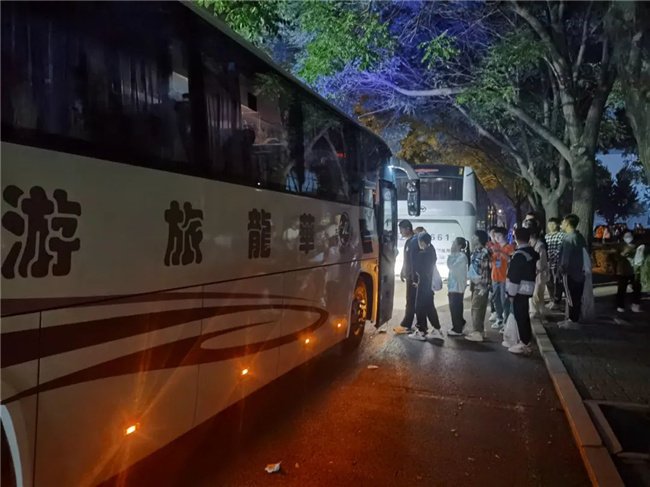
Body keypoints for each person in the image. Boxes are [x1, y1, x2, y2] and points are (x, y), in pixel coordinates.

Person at [506, 227, 539, 355]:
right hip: (528, 287)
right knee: (523, 314)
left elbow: (514, 276)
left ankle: (524, 343)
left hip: (519, 289)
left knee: (520, 316)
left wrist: (511, 293)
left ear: (516, 238)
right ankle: (525, 340)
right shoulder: (530, 252)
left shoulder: (519, 255)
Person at [409, 232, 443, 341]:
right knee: (429, 307)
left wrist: (415, 279)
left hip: (424, 283)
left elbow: (417, 267)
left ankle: (421, 331)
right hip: (428, 284)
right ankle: (436, 329)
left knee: (419, 307)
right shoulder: (431, 250)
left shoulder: (423, 254)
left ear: (421, 242)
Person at [559, 214, 588, 327]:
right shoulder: (578, 237)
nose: (561, 224)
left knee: (571, 297)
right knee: (576, 297)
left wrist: (562, 269)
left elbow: (565, 258)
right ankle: (573, 319)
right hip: (579, 272)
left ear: (567, 223)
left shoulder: (569, 239)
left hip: (570, 273)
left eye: (563, 222)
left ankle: (572, 320)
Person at [466, 230, 492, 342]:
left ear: (478, 238)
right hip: (475, 283)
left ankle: (477, 332)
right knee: (477, 307)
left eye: (474, 236)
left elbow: (486, 270)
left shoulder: (484, 252)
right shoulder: (476, 251)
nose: (472, 238)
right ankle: (479, 330)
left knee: (477, 308)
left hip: (481, 285)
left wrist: (484, 286)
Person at [397, 220, 420, 332]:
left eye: (401, 230)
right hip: (409, 275)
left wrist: (415, 276)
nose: (400, 232)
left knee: (412, 300)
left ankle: (409, 324)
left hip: (413, 277)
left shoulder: (415, 242)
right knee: (410, 299)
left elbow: (414, 261)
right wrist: (403, 270)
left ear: (407, 229)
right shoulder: (408, 242)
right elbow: (406, 259)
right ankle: (409, 323)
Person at [490, 227, 514, 329]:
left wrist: (500, 252)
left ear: (505, 236)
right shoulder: (495, 247)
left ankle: (506, 321)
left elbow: (510, 259)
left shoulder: (509, 247)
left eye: (499, 236)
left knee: (504, 300)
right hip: (495, 277)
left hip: (504, 278)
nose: (497, 238)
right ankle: (499, 318)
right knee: (496, 299)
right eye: (495, 236)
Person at [447, 237, 470, 336]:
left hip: (457, 286)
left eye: (454, 243)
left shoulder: (462, 257)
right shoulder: (459, 256)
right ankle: (460, 323)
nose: (452, 245)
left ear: (459, 246)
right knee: (455, 306)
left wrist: (451, 255)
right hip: (453, 285)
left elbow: (452, 267)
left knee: (455, 306)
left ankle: (457, 329)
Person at [615, 231, 642, 313]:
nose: (628, 238)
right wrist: (624, 253)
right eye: (626, 236)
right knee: (621, 289)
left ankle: (635, 304)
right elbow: (616, 258)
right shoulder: (620, 247)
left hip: (634, 271)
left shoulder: (637, 246)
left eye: (629, 236)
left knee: (637, 287)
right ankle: (620, 305)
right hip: (622, 271)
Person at [545, 217, 565, 310]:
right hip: (548, 264)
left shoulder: (561, 235)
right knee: (549, 282)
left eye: (553, 224)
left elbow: (560, 249)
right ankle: (551, 299)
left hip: (557, 263)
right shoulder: (547, 236)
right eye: (549, 224)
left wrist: (552, 255)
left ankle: (557, 301)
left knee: (557, 282)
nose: (550, 226)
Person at [529, 224, 549, 318]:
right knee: (537, 294)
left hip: (539, 273)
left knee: (536, 293)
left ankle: (535, 311)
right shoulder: (534, 244)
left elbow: (540, 263)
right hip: (536, 273)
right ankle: (539, 311)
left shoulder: (539, 246)